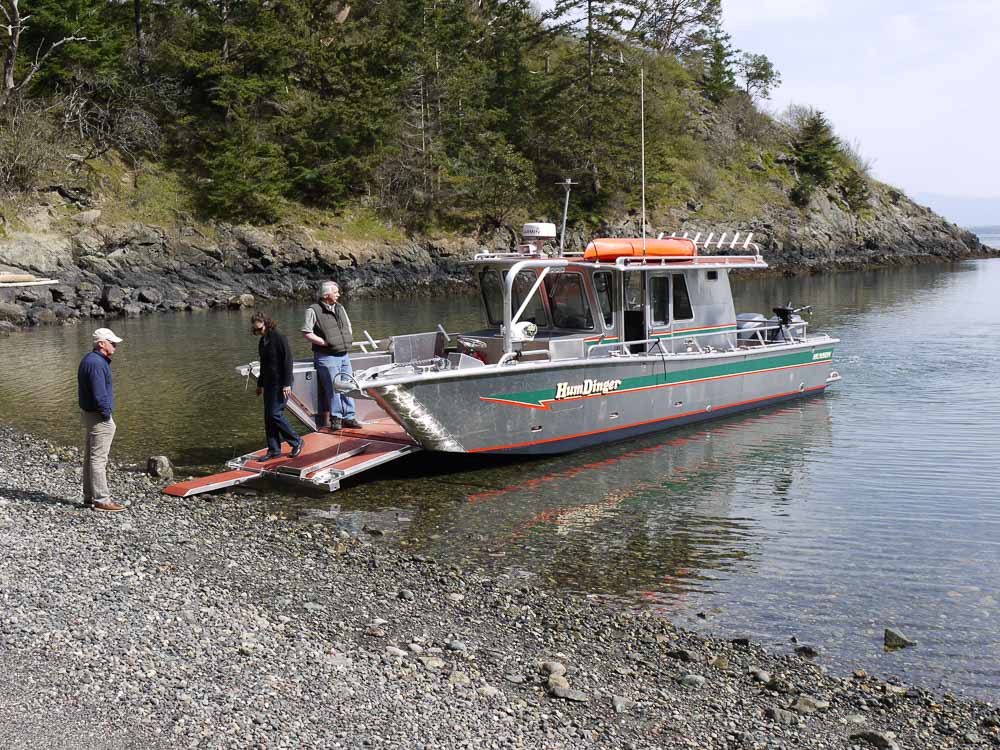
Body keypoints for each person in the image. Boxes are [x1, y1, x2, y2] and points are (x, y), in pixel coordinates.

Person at [301, 281, 362, 431]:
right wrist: (324, 343)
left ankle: (349, 417)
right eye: (336, 292)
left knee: (348, 385)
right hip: (327, 356)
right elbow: (306, 332)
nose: (339, 294)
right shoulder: (313, 310)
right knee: (334, 388)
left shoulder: (340, 308)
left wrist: (347, 339)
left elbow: (348, 326)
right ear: (326, 294)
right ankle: (336, 418)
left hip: (344, 354)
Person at [78, 328, 126, 512]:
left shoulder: (90, 360)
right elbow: (100, 395)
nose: (114, 345)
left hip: (90, 414)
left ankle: (89, 497)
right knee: (98, 459)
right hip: (98, 416)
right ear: (101, 344)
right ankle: (101, 500)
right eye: (111, 342)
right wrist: (106, 415)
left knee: (91, 457)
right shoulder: (97, 363)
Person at [252, 312, 304, 460]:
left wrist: (287, 383)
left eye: (260, 329)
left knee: (275, 414)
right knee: (268, 417)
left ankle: (296, 441)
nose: (258, 332)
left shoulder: (279, 337)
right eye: (256, 330)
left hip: (282, 383)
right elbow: (264, 365)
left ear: (267, 324)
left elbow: (288, 360)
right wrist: (260, 384)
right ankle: (274, 449)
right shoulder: (263, 341)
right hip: (268, 383)